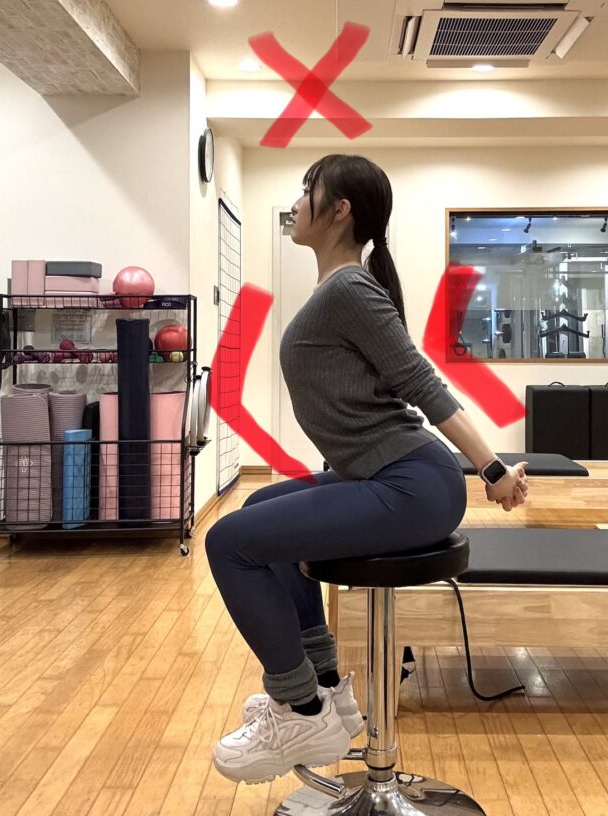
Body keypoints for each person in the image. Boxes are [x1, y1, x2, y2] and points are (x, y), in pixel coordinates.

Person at [206, 153, 528, 785]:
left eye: (307, 191)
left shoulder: (349, 289)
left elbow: (421, 384)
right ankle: (326, 687)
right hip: (389, 475)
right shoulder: (338, 289)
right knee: (257, 511)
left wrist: (491, 470)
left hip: (412, 484)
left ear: (339, 210)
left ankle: (298, 710)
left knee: (227, 543)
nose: (296, 204)